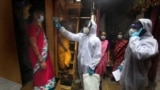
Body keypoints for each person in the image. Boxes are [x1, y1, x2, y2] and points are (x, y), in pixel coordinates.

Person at [54, 16, 101, 89]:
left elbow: (97, 55)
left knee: (88, 83)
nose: (84, 28)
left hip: (88, 65)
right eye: (84, 26)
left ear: (91, 28)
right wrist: (60, 28)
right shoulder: (82, 36)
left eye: (86, 27)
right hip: (80, 63)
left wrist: (92, 67)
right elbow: (70, 35)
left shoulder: (96, 40)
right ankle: (82, 86)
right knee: (82, 79)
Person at [119, 18, 159, 90]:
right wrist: (123, 64)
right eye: (133, 27)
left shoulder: (151, 42)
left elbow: (139, 54)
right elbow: (128, 56)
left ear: (144, 29)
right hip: (127, 74)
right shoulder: (135, 39)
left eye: (137, 28)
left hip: (138, 77)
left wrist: (134, 38)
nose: (133, 30)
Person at [27, 6, 55, 90]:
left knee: (46, 74)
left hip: (44, 57)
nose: (42, 16)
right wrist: (41, 60)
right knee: (41, 76)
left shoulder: (38, 27)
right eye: (41, 14)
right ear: (35, 15)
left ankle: (48, 87)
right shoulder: (32, 27)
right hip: (38, 58)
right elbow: (34, 45)